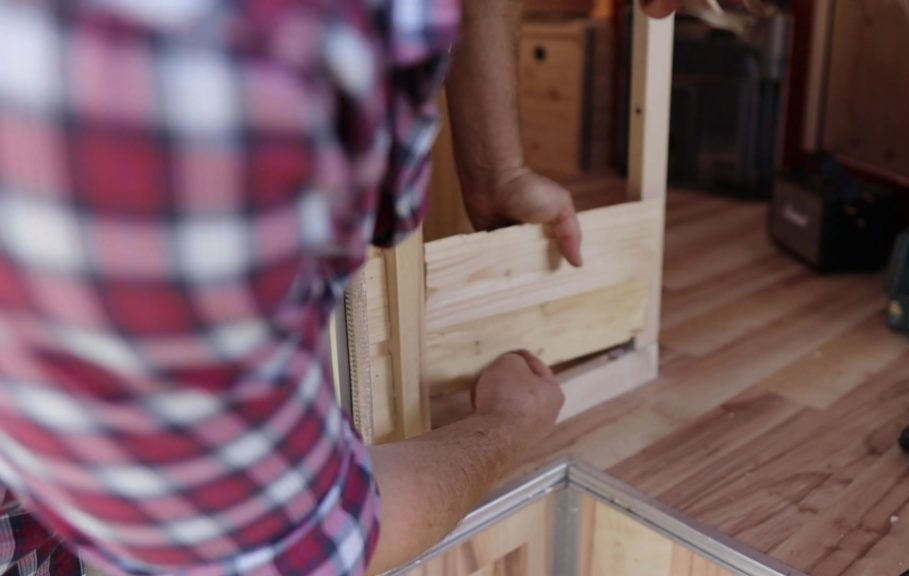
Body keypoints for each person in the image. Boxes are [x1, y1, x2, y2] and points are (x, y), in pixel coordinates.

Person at [0, 0, 703, 574]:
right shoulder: (178, 82)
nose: (662, 12)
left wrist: (500, 169)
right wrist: (505, 428)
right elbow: (294, 549)